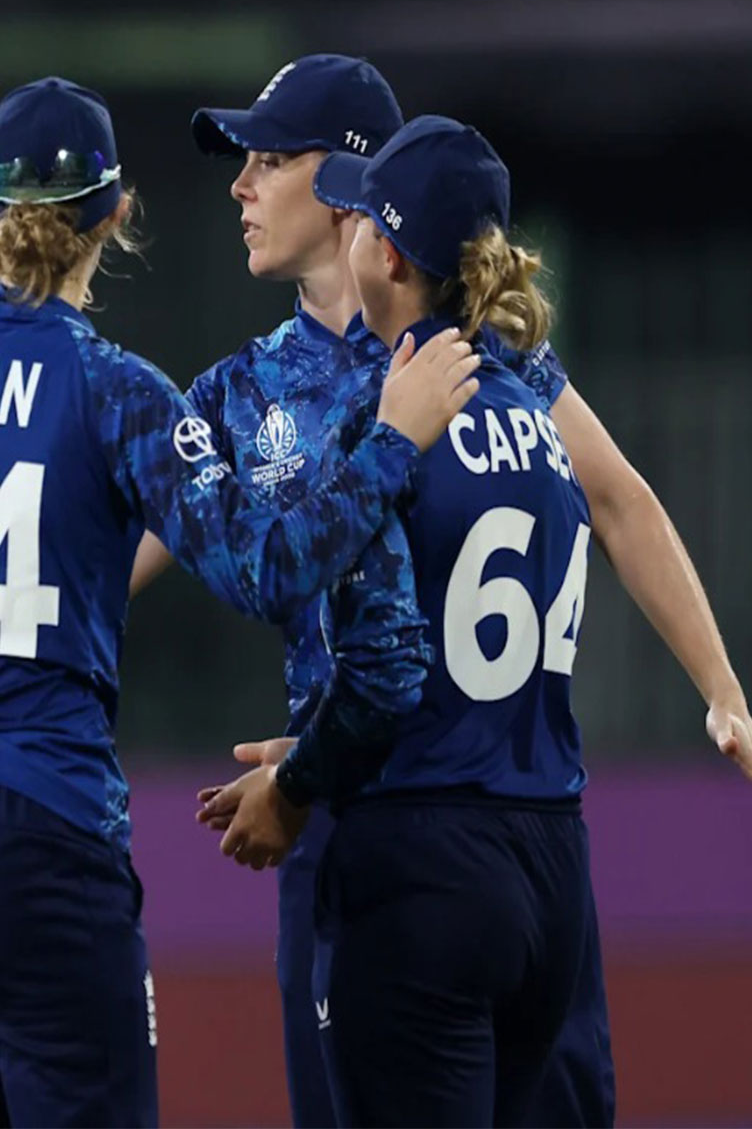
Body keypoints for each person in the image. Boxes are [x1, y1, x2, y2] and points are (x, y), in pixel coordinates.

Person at [0, 76, 480, 1127]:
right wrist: (391, 443)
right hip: (43, 839)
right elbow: (269, 572)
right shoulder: (120, 394)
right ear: (116, 216)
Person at [202, 115, 604, 1126]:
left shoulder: (381, 420)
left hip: (422, 864)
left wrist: (295, 787)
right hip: (548, 860)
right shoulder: (535, 416)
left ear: (381, 252)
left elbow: (379, 666)